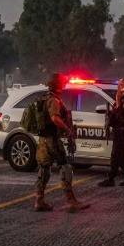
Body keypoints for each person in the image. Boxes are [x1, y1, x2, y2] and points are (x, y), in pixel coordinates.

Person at [34, 73, 90, 212]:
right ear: (58, 85)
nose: (64, 86)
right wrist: (67, 130)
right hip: (52, 140)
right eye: (62, 83)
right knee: (65, 166)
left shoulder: (43, 98)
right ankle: (71, 201)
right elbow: (55, 118)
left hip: (43, 140)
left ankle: (39, 201)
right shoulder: (53, 100)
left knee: (44, 168)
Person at [99, 78, 124, 187]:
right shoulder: (121, 99)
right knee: (120, 157)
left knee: (116, 155)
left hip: (122, 132)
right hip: (117, 131)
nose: (118, 88)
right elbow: (114, 117)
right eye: (119, 85)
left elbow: (122, 116)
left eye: (120, 85)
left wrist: (117, 101)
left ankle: (111, 179)